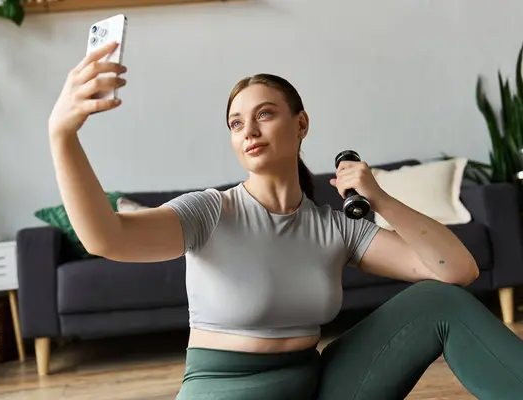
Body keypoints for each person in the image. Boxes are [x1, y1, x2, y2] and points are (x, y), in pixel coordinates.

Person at [48, 41, 523, 399]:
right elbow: (106, 238)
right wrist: (63, 136)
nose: (249, 131)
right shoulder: (211, 211)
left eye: (265, 114)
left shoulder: (335, 227)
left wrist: (379, 197)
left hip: (313, 384)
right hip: (226, 391)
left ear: (301, 124)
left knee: (437, 302)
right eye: (236, 123)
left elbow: (456, 272)